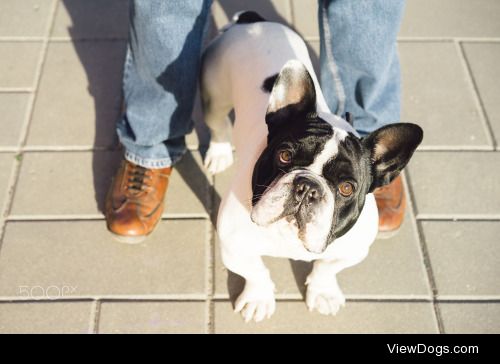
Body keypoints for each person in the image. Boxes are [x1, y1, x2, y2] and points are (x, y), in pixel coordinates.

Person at [105, 0, 407, 243]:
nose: (304, 192)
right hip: (239, 54)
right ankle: (150, 145)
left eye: (344, 187)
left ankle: (366, 151)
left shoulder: (356, 244)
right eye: (287, 156)